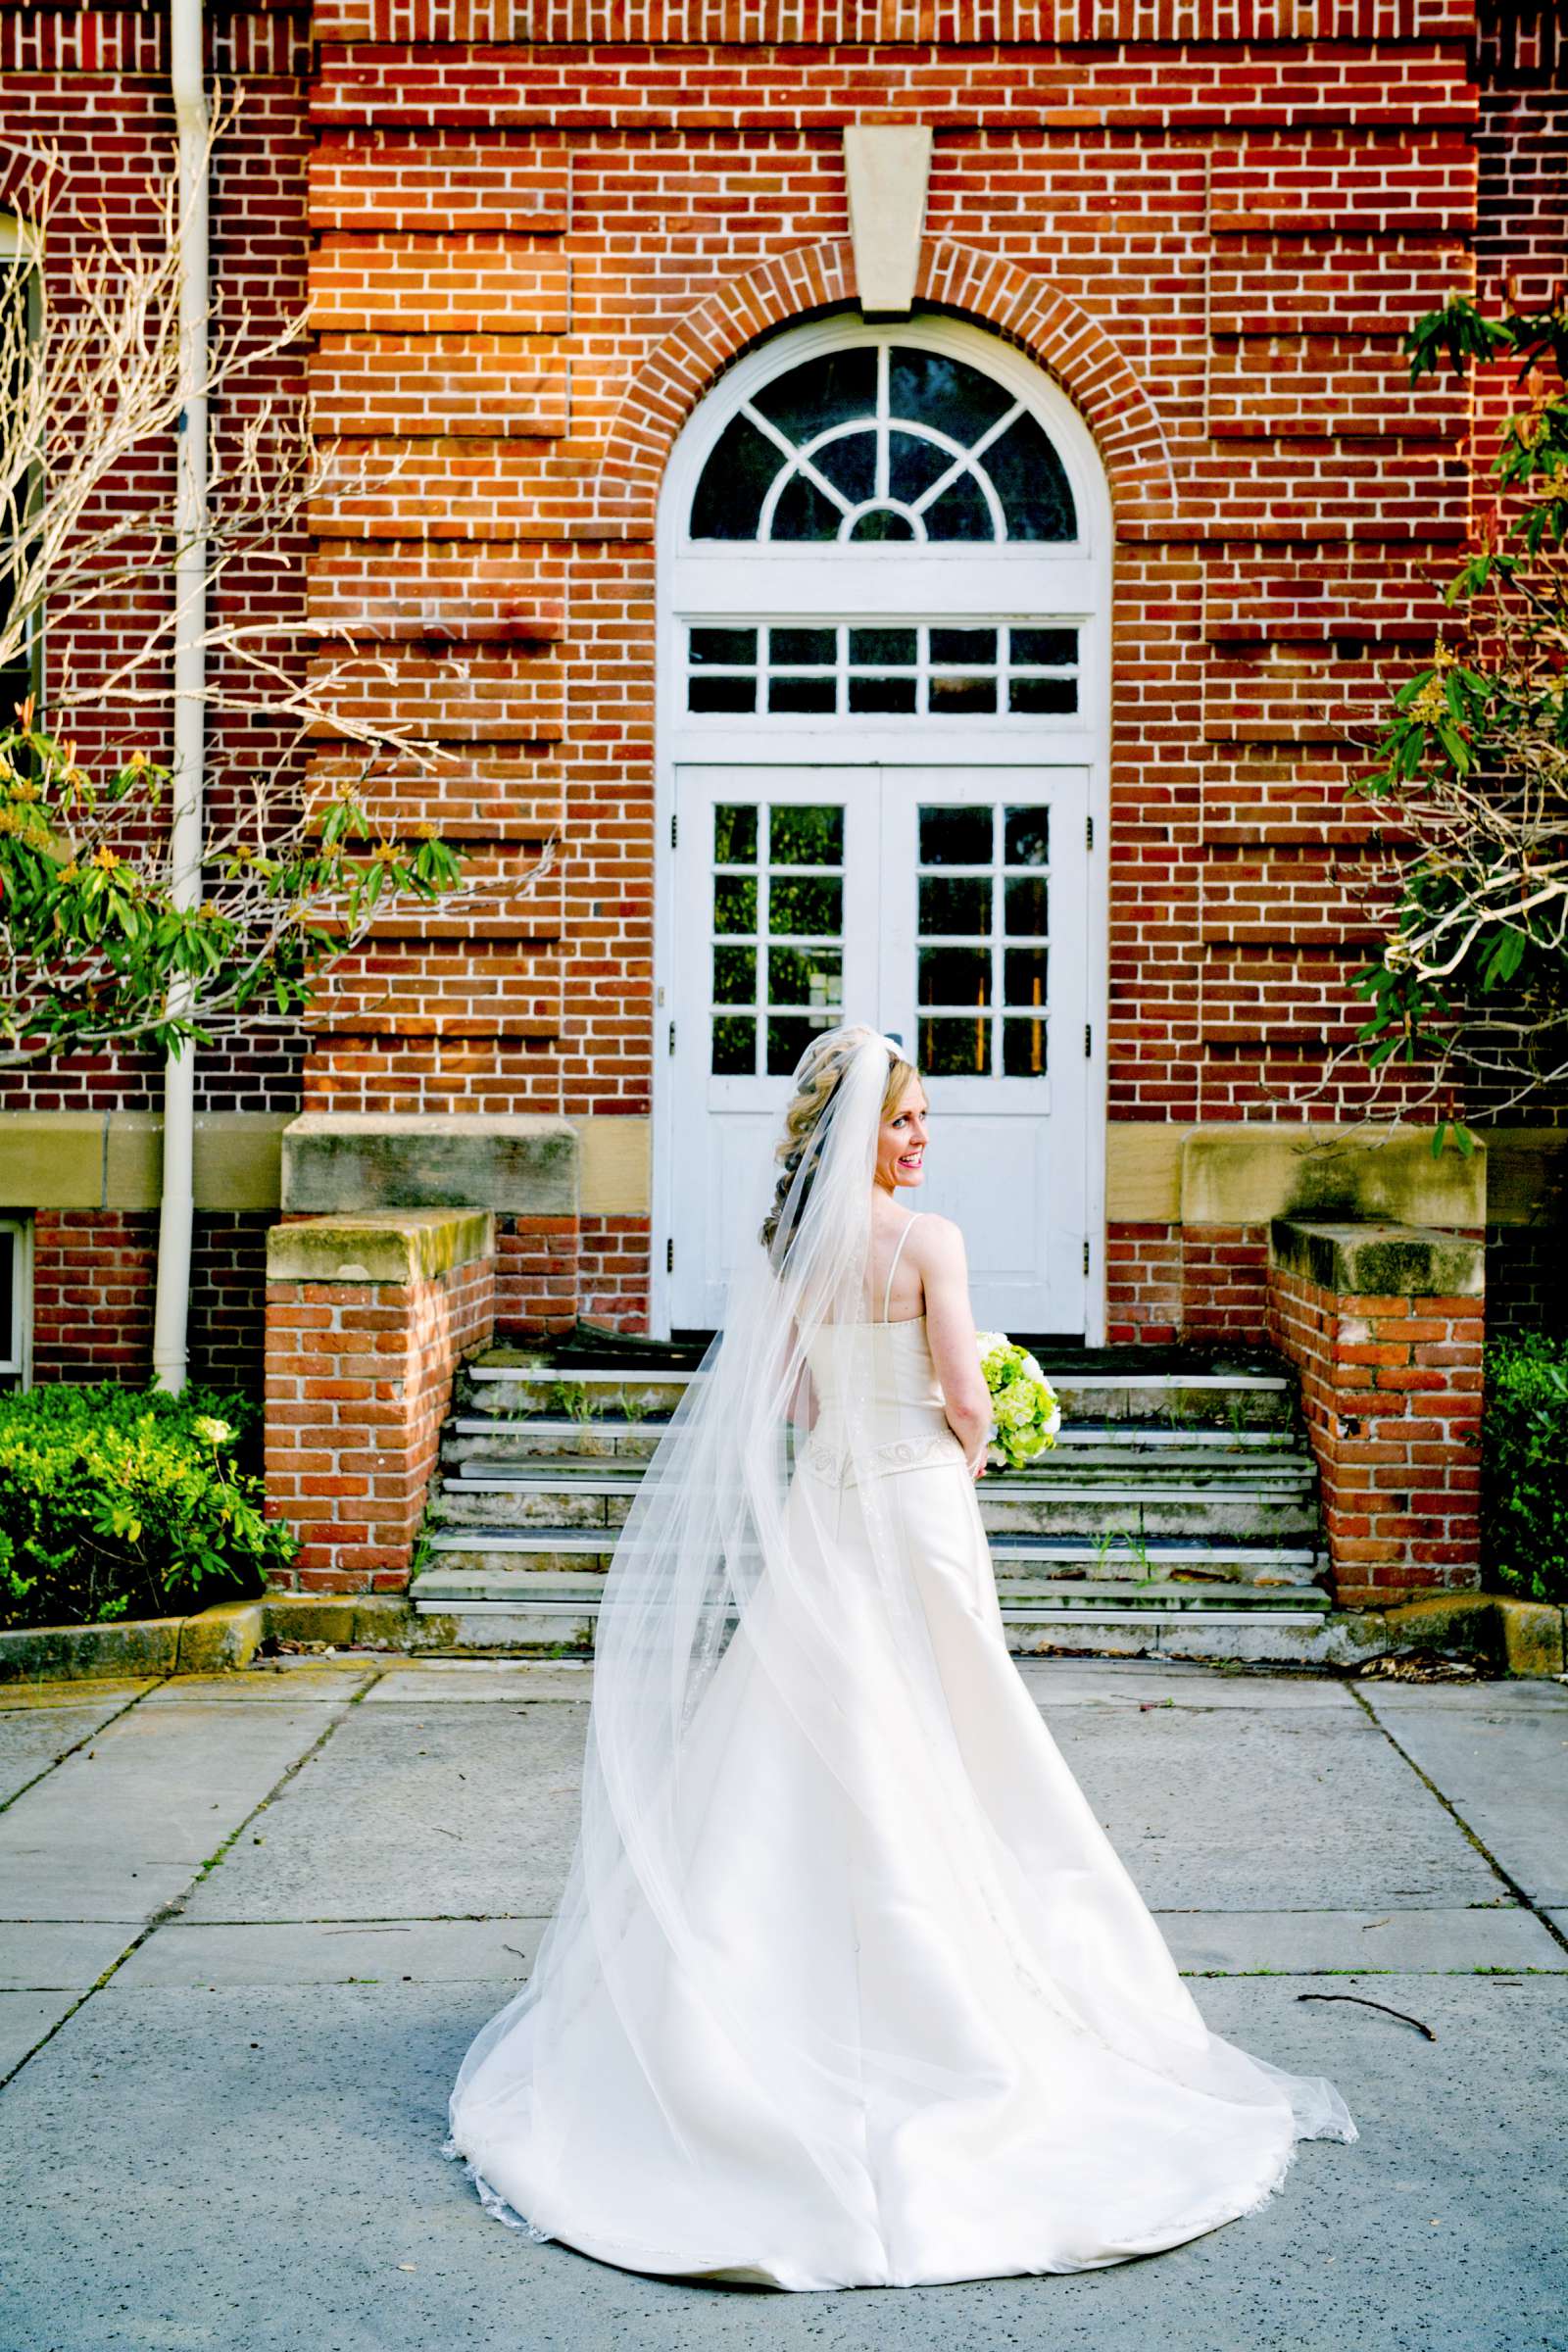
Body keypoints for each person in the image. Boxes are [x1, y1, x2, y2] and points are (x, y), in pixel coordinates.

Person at [443, 1022, 1356, 2289]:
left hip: (830, 1505)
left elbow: (786, 1403)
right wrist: (985, 1429)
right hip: (919, 1503)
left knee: (803, 1735)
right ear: (859, 1134)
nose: (925, 1140)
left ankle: (760, 2002)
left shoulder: (788, 1258)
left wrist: (861, 1416)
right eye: (908, 1121)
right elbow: (960, 1392)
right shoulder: (929, 1245)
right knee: (953, 1726)